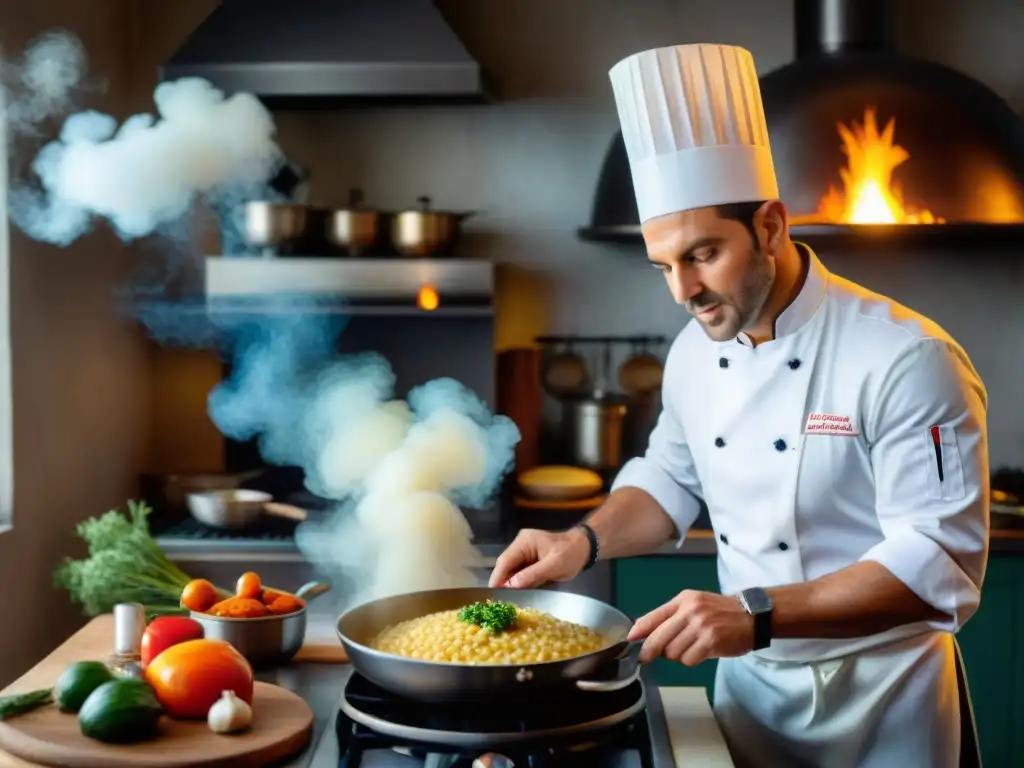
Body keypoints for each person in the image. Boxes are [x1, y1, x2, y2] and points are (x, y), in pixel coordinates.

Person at [489, 43, 989, 767]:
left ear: (771, 226)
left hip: (886, 709)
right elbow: (671, 479)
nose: (682, 291)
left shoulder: (906, 358)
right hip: (750, 699)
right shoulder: (693, 351)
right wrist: (579, 543)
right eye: (663, 265)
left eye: (701, 255)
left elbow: (938, 564)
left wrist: (755, 613)